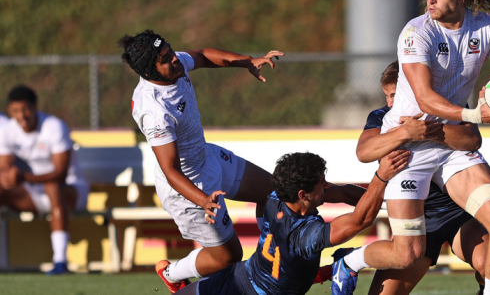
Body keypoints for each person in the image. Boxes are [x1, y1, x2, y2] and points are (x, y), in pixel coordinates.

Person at [336, 0, 490, 295]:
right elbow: (425, 99)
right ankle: (351, 261)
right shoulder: (417, 33)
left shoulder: (487, 27)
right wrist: (476, 115)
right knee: (406, 252)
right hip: (410, 148)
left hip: (451, 144)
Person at [119, 30, 367, 293]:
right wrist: (203, 200)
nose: (175, 59)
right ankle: (171, 273)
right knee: (228, 257)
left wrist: (247, 61)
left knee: (275, 192)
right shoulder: (154, 110)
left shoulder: (171, 64)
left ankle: (276, 261)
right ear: (149, 73)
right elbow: (170, 170)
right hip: (189, 186)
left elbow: (202, 56)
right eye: (166, 59)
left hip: (209, 157)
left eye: (170, 51)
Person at [173, 150, 409, 295]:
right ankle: (346, 264)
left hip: (241, 275)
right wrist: (381, 177)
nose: (326, 185)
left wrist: (395, 202)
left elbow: (345, 194)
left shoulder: (276, 195)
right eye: (321, 183)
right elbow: (362, 219)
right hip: (248, 284)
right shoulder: (304, 235)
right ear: (303, 195)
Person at [357, 62, 489, 295]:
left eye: (395, 95)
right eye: (387, 96)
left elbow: (472, 139)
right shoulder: (381, 117)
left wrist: (429, 130)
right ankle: (350, 261)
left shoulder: (449, 106)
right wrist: (406, 133)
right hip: (415, 216)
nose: (389, 103)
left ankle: (484, 290)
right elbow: (364, 152)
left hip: (455, 212)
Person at [0, 85, 89, 275]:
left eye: (25, 109)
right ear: (9, 111)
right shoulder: (7, 130)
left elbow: (61, 174)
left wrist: (23, 177)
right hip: (32, 195)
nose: (22, 116)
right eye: (16, 111)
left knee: (52, 186)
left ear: (34, 107)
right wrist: (7, 177)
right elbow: (4, 168)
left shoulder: (54, 126)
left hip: (71, 192)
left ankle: (60, 261)